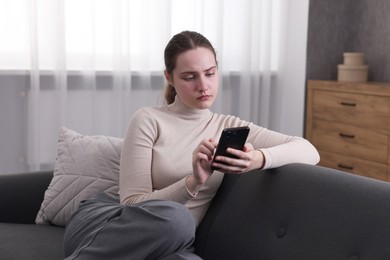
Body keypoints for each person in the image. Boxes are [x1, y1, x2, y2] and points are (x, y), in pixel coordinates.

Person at [64, 30, 319, 260]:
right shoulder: (149, 119)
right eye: (189, 77)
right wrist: (193, 182)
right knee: (178, 219)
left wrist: (257, 159)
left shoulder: (228, 126)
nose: (203, 86)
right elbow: (131, 204)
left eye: (210, 74)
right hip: (110, 225)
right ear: (170, 77)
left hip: (173, 242)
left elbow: (309, 150)